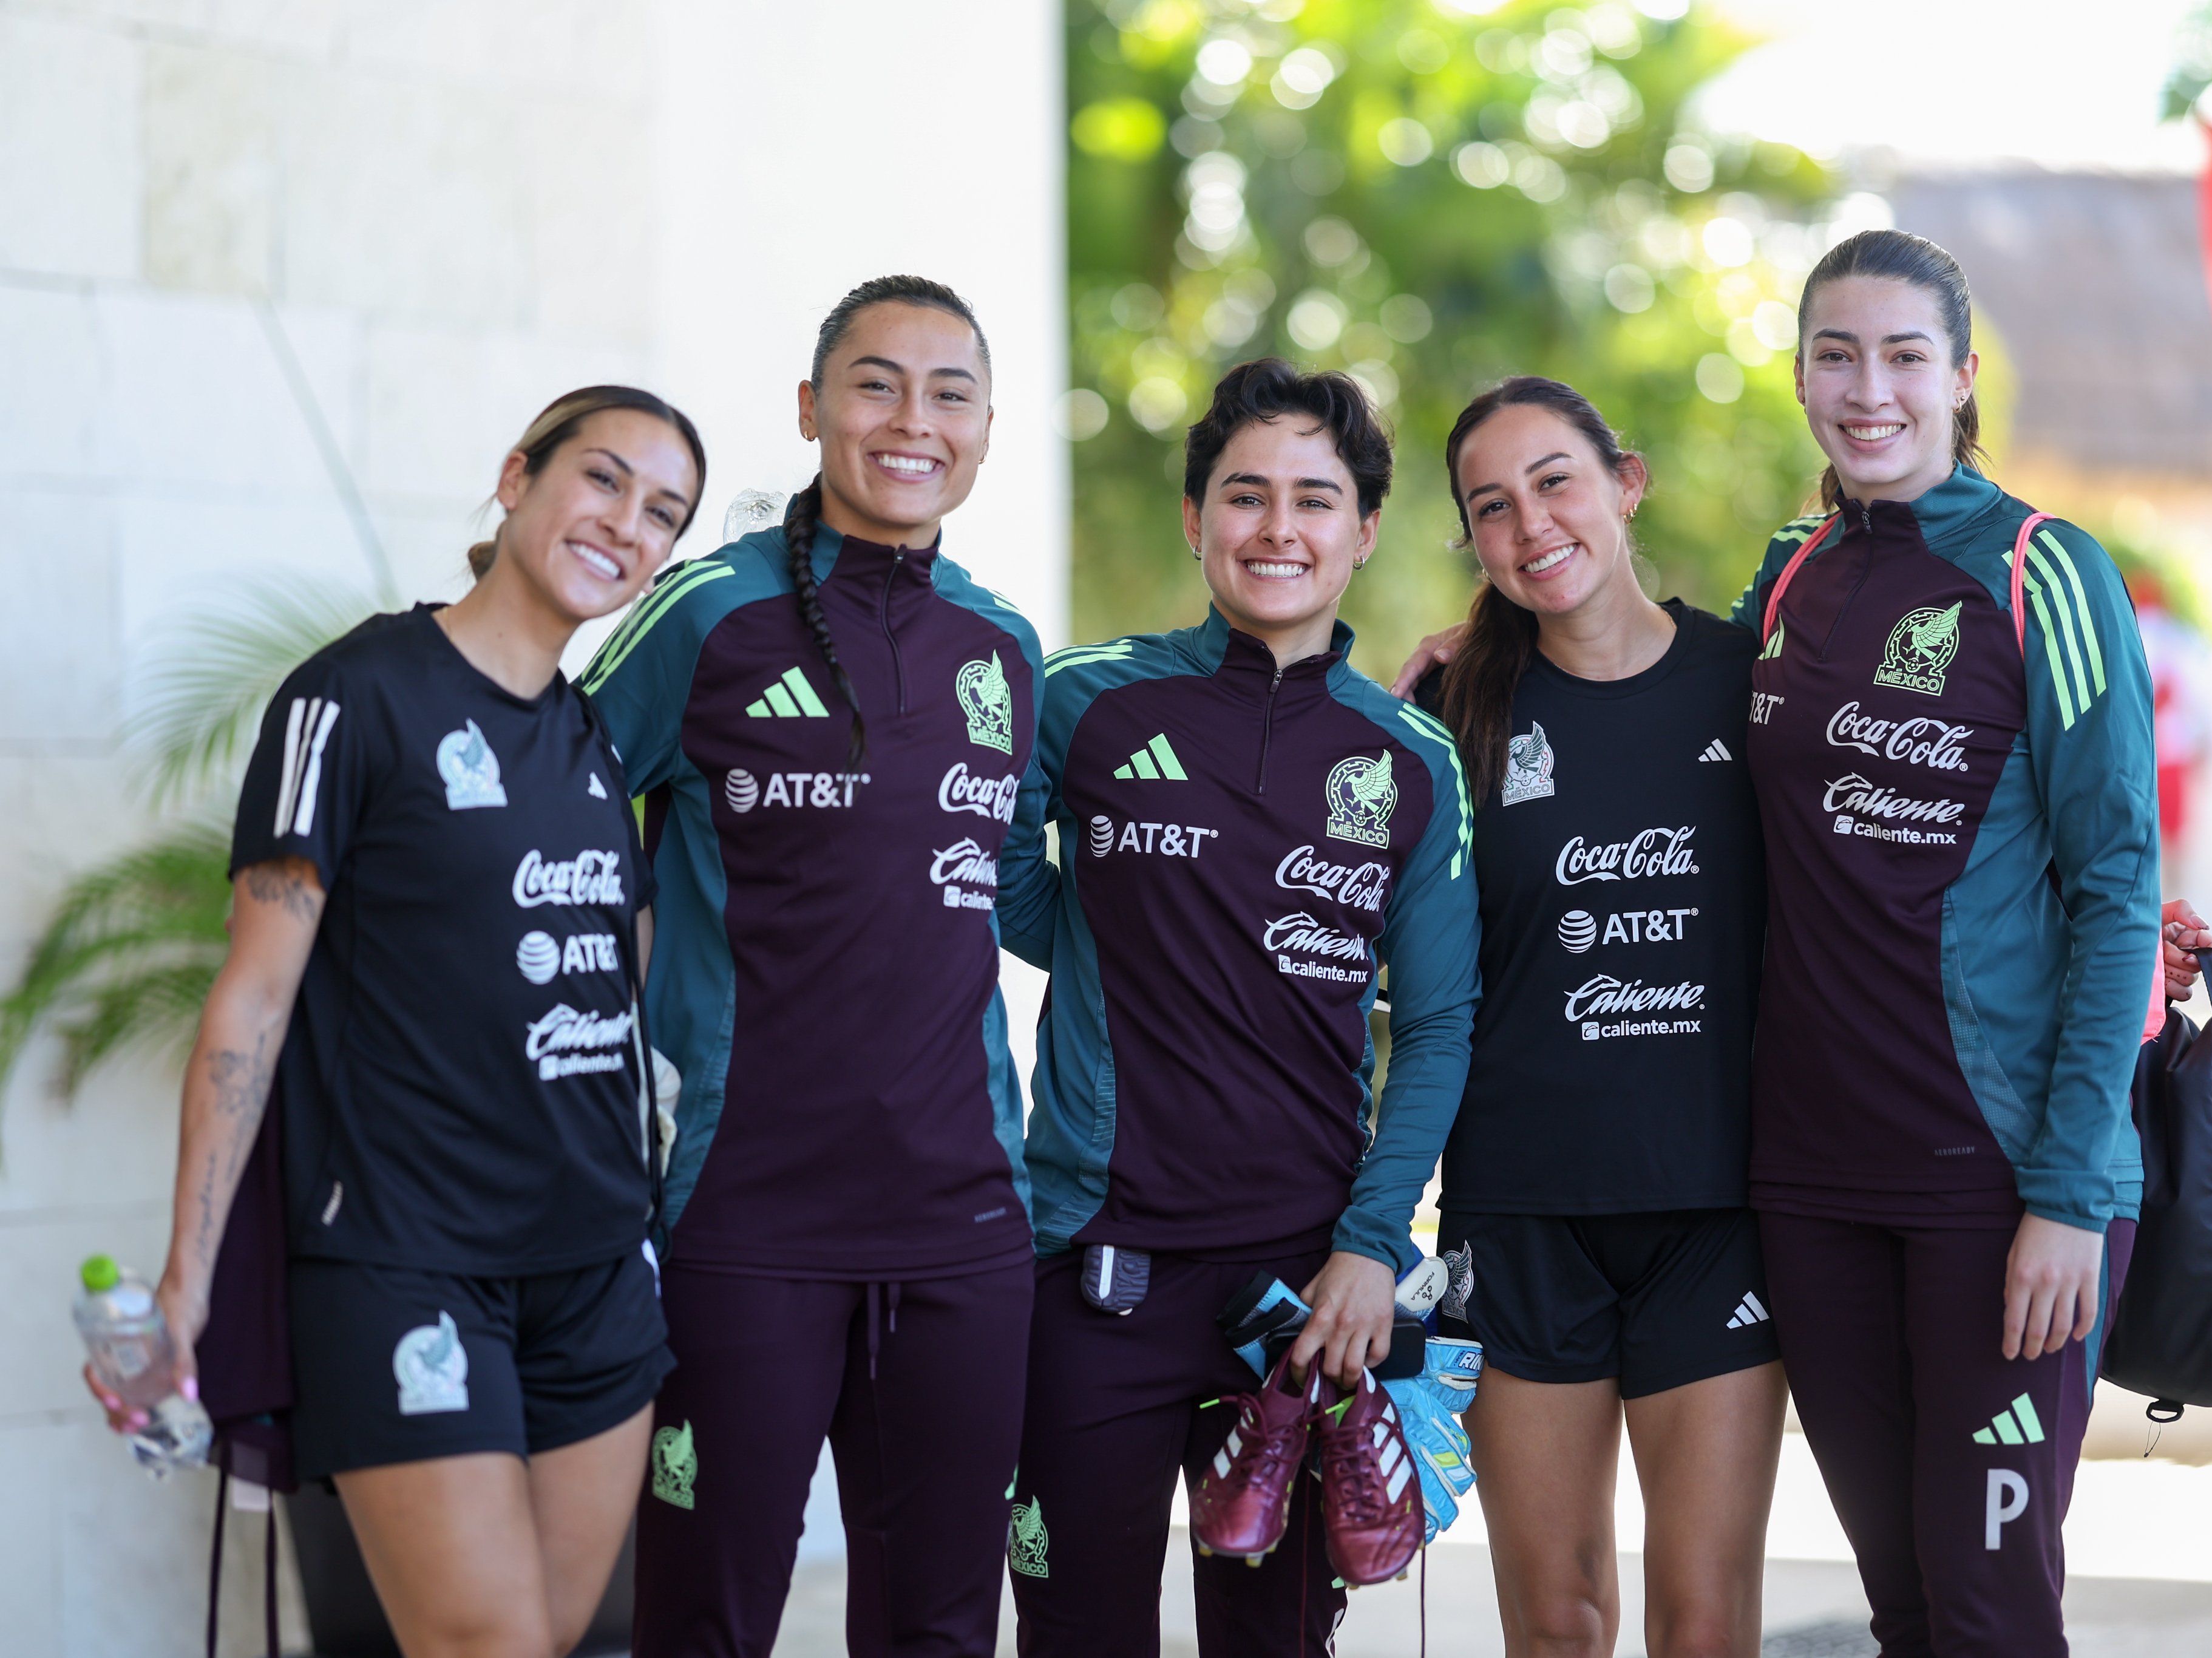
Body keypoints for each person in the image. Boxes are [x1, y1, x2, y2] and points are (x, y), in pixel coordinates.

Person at [1389, 232, 2212, 1658]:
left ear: (1961, 380)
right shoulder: (1785, 583)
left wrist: (2073, 1190)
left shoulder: (2043, 570)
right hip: (1805, 1191)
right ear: (1797, 377)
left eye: (1903, 356)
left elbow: (2112, 877)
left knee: (1986, 1610)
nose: (1868, 389)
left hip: (1994, 1179)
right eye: (1835, 355)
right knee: (1902, 1606)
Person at [87, 385, 706, 1657]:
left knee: (568, 1642)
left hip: (595, 1274)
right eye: (602, 480)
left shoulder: (593, 747)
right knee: (482, 1640)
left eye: (663, 514)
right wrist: (187, 1282)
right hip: (404, 1261)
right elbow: (252, 995)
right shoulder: (352, 696)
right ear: (517, 475)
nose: (625, 524)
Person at [580, 276, 1045, 1658]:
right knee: (706, 1617)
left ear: (984, 428)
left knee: (944, 1629)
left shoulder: (1006, 645)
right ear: (810, 408)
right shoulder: (705, 614)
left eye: (948, 393)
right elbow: (558, 830)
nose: (913, 421)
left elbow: (1026, 897)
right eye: (875, 383)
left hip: (967, 1218)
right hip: (746, 1216)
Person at [996, 357, 1481, 1656]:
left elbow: (1439, 1024)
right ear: (1195, 515)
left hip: (1302, 1299)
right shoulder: (1087, 700)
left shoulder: (1409, 761)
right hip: (1093, 1277)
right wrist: (1116, 939)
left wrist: (1374, 1244)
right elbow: (985, 880)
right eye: (1243, 494)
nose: (1278, 528)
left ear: (1363, 529)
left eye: (1314, 500)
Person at [1410, 376, 1785, 1658]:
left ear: (1623, 483)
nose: (1530, 525)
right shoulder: (1451, 716)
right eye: (1491, 507)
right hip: (1519, 1218)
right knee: (1556, 1626)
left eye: (1554, 481)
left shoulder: (1753, 684)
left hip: (1715, 1211)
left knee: (1701, 1624)